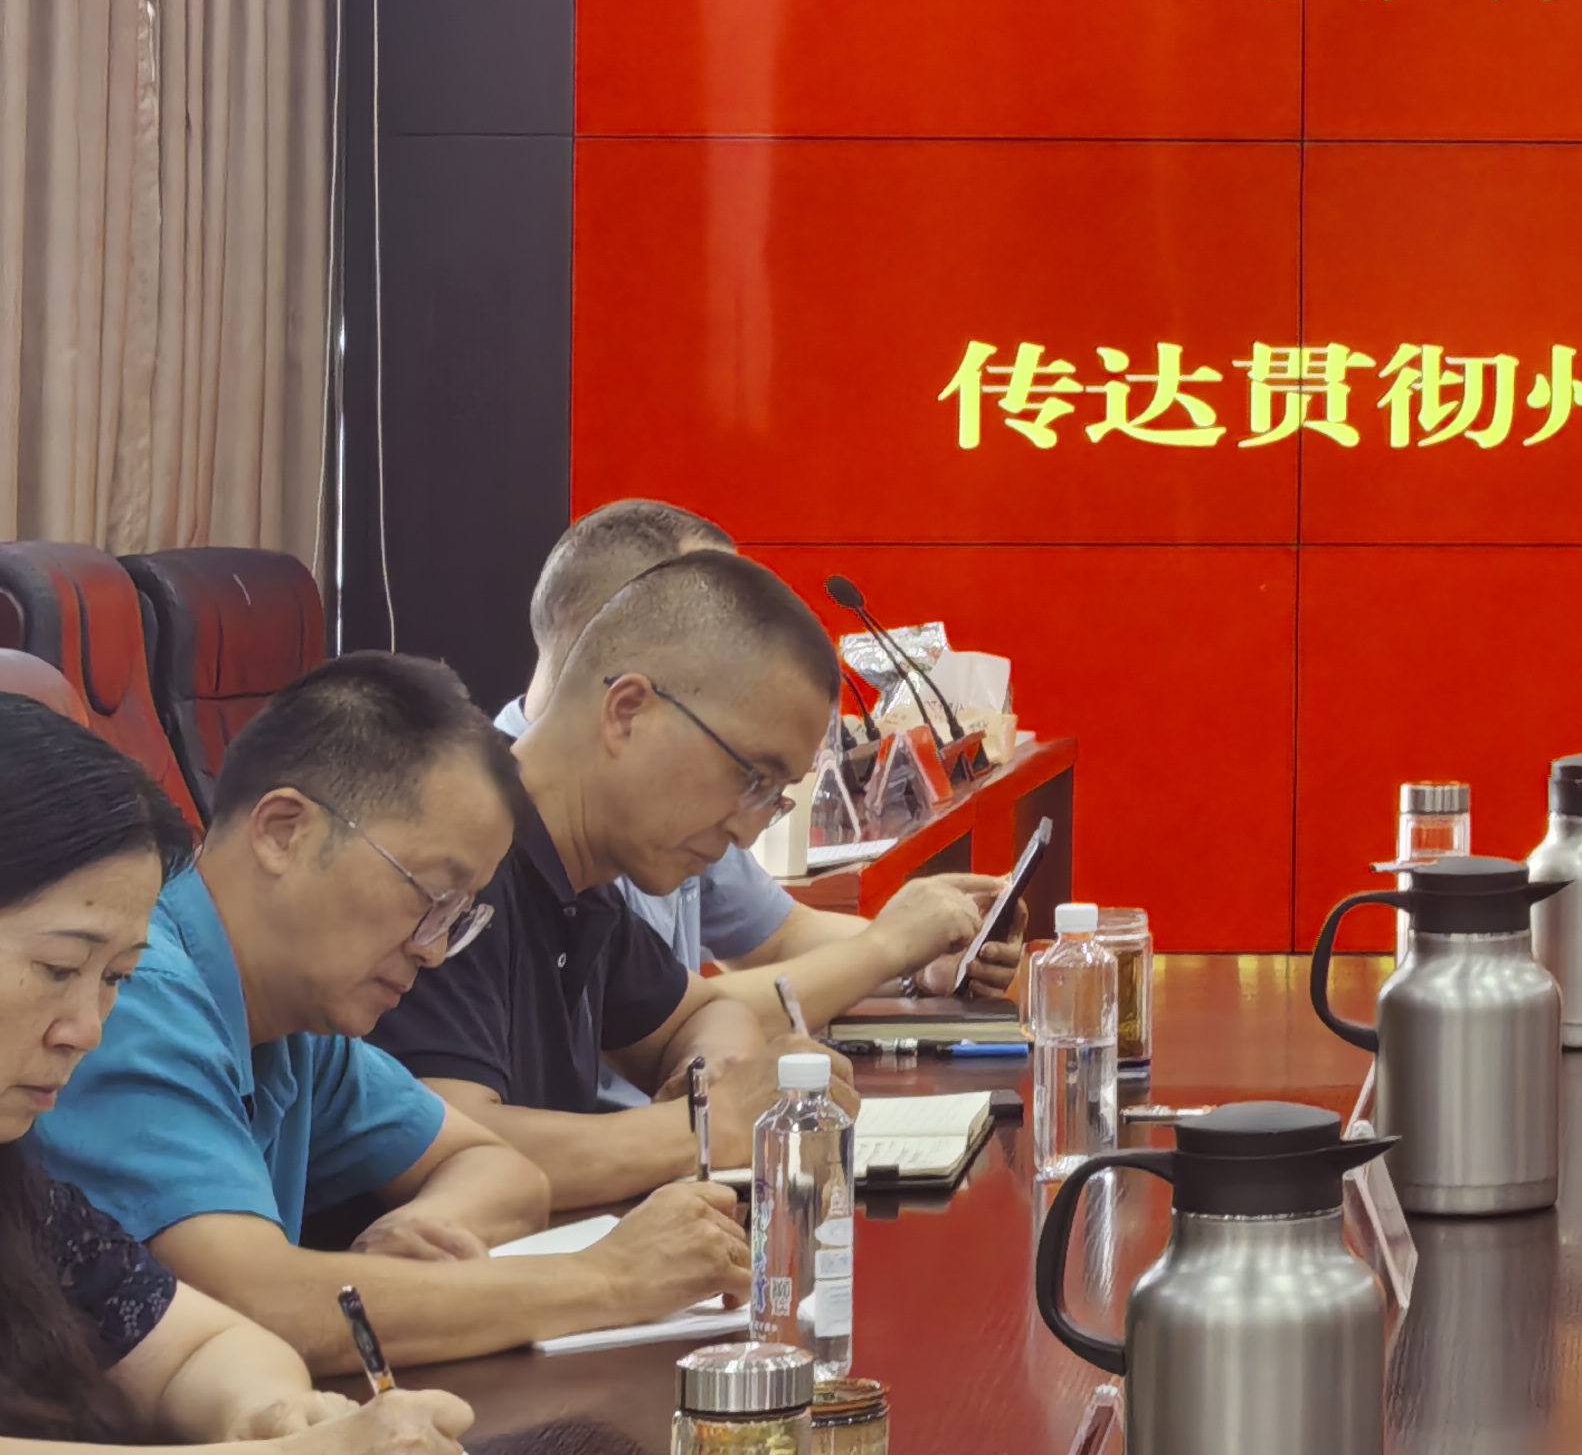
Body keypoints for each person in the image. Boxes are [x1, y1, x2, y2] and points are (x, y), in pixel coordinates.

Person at [29, 656, 743, 1375]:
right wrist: (610, 1281)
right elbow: (254, 1305)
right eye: (430, 897)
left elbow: (504, 1171)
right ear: (283, 831)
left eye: (459, 918)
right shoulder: (132, 990)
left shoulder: (298, 1023)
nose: (433, 951)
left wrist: (423, 1232)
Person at [0, 697, 478, 1455]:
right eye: (59, 968)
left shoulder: (19, 1193)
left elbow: (199, 1343)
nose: (87, 1029)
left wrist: (270, 1414)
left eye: (115, 978)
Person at [383, 551, 953, 1215]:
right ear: (627, 711)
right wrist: (709, 1125)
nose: (747, 833)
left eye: (774, 796)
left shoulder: (584, 877)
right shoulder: (456, 855)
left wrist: (708, 1075)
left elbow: (704, 1013)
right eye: (750, 778)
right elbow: (438, 1146)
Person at [498, 504, 1017, 1084]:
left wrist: (922, 955)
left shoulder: (612, 862)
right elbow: (464, 1129)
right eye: (715, 611)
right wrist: (886, 948)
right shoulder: (482, 847)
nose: (744, 833)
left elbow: (727, 981)